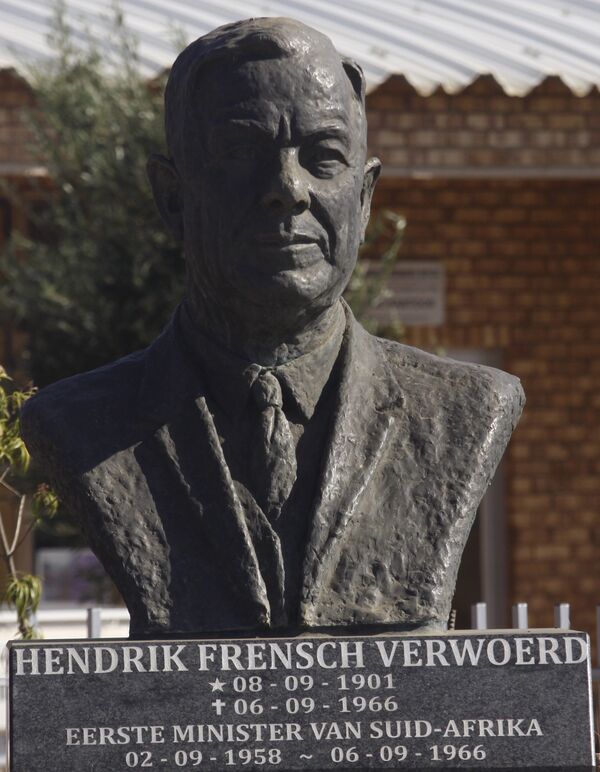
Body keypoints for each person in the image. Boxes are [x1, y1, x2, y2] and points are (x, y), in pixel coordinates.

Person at [21, 18, 524, 638]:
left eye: (324, 158)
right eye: (240, 153)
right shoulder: (79, 422)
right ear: (172, 198)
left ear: (364, 201)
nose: (287, 189)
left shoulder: (466, 410)